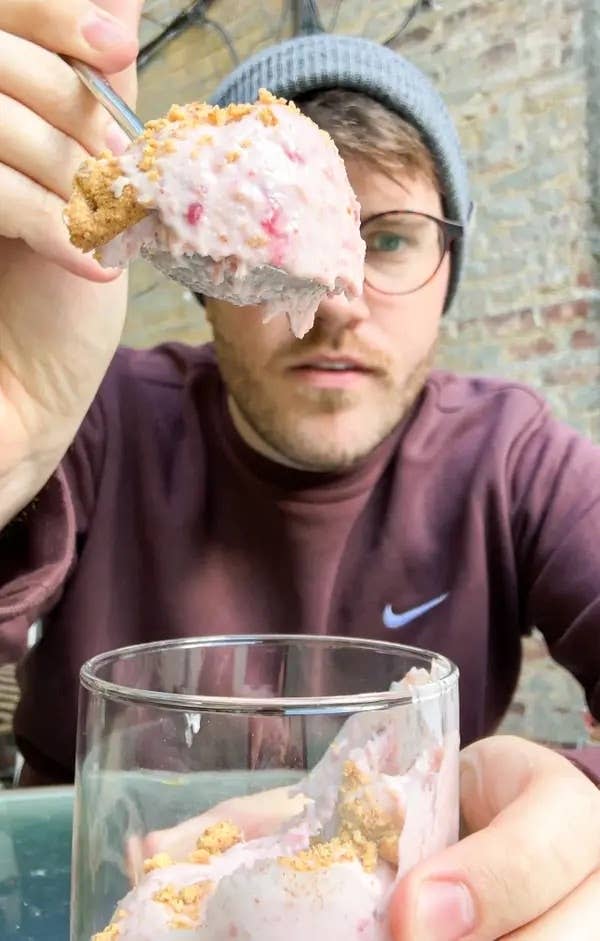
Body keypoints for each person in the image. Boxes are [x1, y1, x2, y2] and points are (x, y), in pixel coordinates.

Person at [1, 1, 599, 937]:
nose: (337, 305)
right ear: (203, 274)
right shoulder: (91, 418)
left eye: (391, 238)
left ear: (451, 268)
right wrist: (13, 431)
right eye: (287, 240)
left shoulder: (511, 459)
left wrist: (567, 815)